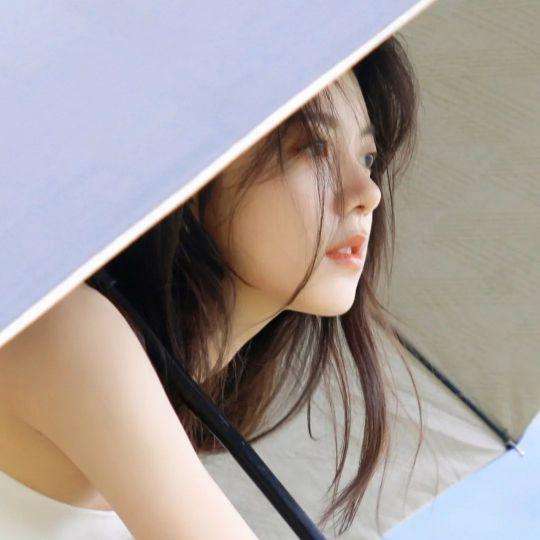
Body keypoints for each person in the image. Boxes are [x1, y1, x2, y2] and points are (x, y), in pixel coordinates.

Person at [0, 33, 421, 539]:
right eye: (313, 148)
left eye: (367, 158)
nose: (368, 193)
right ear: (192, 167)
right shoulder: (71, 329)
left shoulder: (164, 409)